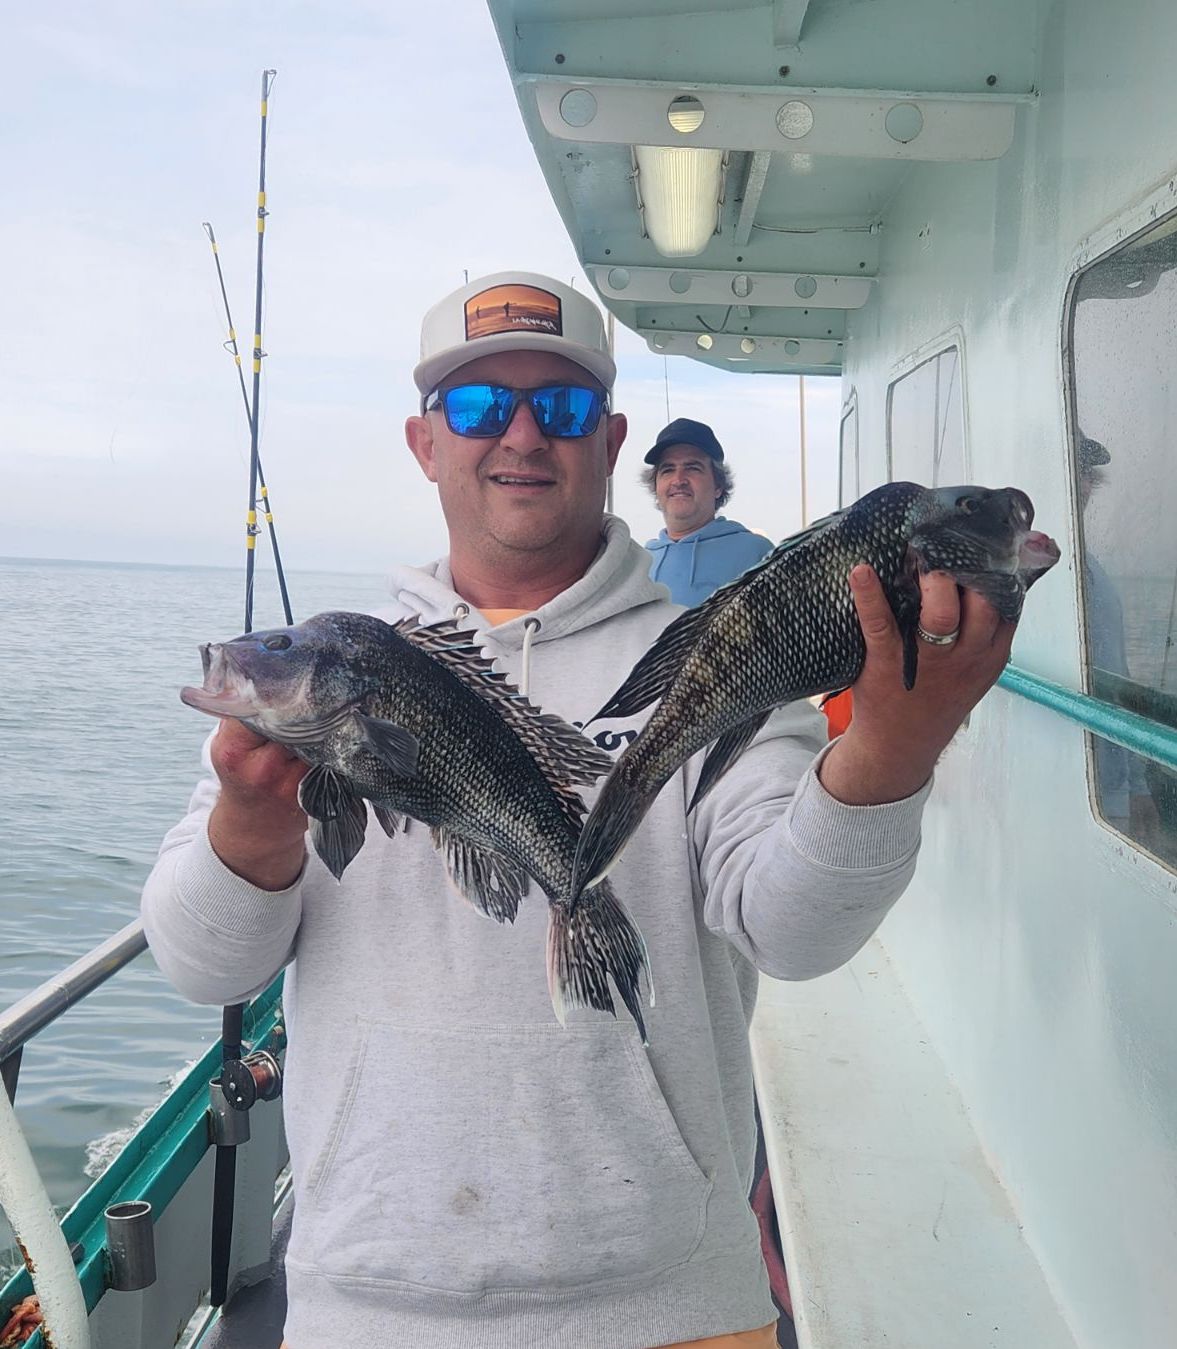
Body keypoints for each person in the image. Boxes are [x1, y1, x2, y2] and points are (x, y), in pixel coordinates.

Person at [142, 270, 1017, 1349]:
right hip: (367, 1302)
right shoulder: (322, 674)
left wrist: (892, 748)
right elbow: (201, 966)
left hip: (671, 1301)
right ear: (426, 443)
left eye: (557, 408)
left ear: (608, 441)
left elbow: (795, 931)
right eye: (475, 407)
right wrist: (253, 822)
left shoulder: (708, 666)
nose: (518, 433)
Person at [642, 418, 773, 606]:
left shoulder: (758, 555)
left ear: (718, 485)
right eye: (668, 470)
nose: (678, 480)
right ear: (656, 486)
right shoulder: (638, 563)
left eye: (692, 468)